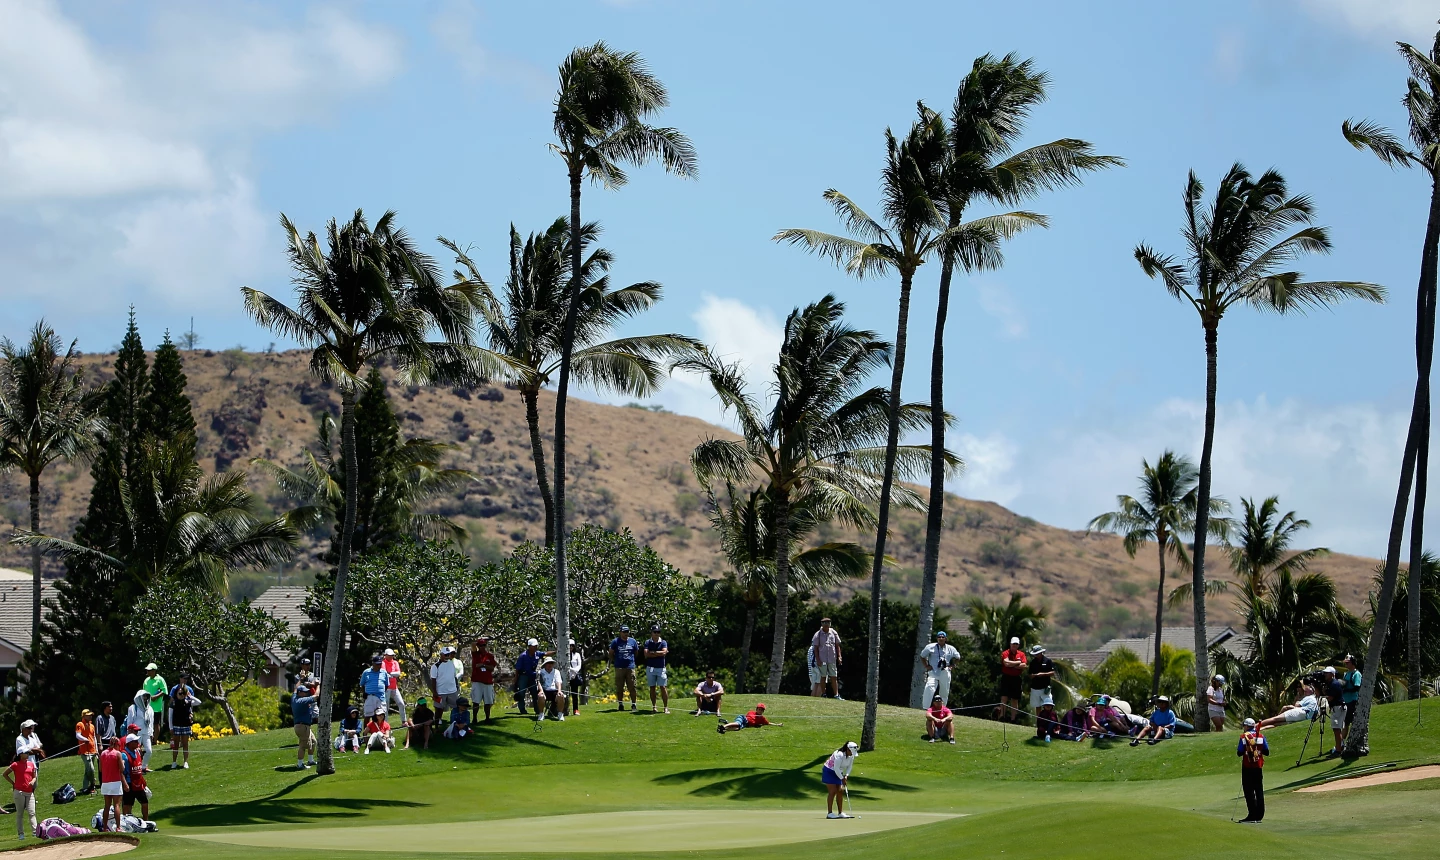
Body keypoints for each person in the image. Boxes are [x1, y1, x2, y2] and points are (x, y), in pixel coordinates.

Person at [1237, 718, 1270, 823]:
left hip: (1247, 767)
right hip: (1258, 767)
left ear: (1246, 726)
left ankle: (1252, 815)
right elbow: (1266, 751)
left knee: (1249, 791)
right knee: (1259, 790)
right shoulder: (1261, 736)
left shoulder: (1243, 737)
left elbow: (1239, 752)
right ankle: (1259, 815)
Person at [918, 631, 960, 709]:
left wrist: (952, 666)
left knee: (944, 691)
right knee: (929, 687)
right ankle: (925, 707)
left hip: (945, 671)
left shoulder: (951, 648)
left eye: (942, 637)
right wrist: (926, 666)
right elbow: (922, 656)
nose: (941, 638)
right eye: (939, 637)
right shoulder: (930, 647)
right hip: (933, 671)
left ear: (945, 638)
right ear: (937, 638)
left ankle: (942, 709)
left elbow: (958, 657)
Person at [168, 673, 200, 770]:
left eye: (183, 693)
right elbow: (170, 714)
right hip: (177, 724)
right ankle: (174, 762)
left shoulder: (188, 697)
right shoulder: (174, 696)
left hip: (185, 723)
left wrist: (189, 696)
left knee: (185, 743)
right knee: (176, 744)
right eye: (180, 693)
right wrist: (171, 727)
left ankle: (185, 762)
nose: (181, 695)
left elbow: (197, 702)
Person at [1256, 684, 1320, 729]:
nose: (1304, 689)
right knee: (1276, 724)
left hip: (1301, 713)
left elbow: (1296, 705)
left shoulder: (1309, 697)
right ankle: (1261, 729)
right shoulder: (1315, 699)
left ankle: (1255, 726)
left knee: (1275, 719)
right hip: (1305, 717)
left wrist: (1297, 699)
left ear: (1311, 690)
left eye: (1306, 689)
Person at [822, 742, 858, 819]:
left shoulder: (851, 756)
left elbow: (849, 767)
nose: (852, 754)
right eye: (851, 752)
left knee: (840, 791)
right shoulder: (839, 755)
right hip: (829, 771)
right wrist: (842, 778)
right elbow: (836, 768)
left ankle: (840, 813)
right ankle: (830, 813)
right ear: (848, 749)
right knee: (833, 791)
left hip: (838, 772)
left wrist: (846, 776)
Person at [6, 752, 37, 840]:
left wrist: (33, 781)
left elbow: (34, 776)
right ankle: (21, 834)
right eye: (25, 753)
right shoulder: (15, 764)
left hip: (30, 792)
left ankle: (35, 832)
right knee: (20, 813)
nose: (27, 754)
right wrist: (13, 783)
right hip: (19, 792)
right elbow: (5, 774)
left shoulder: (31, 764)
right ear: (20, 755)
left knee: (32, 812)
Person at [429, 646, 465, 720]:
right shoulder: (435, 666)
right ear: (441, 655)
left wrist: (456, 686)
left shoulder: (451, 664)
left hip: (452, 691)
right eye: (445, 655)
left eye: (448, 655)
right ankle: (437, 725)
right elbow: (433, 680)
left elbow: (454, 677)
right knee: (439, 709)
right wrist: (435, 692)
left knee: (456, 707)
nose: (447, 657)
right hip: (441, 692)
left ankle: (456, 721)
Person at [996, 637, 1027, 722]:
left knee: (1015, 699)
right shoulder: (1006, 653)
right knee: (1004, 697)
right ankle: (1002, 716)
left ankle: (1013, 718)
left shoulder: (1021, 654)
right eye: (1013, 644)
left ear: (1018, 645)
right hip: (1006, 677)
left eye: (1016, 644)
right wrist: (1017, 663)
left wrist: (1011, 664)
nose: (1014, 646)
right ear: (1010, 644)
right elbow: (1006, 663)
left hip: (1016, 678)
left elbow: (1024, 665)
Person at [810, 618, 843, 698]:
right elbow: (816, 648)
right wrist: (818, 660)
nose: (826, 624)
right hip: (822, 659)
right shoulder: (818, 634)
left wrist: (839, 656)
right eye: (824, 622)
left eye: (828, 622)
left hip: (832, 659)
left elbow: (837, 646)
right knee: (823, 677)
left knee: (833, 676)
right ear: (821, 624)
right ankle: (824, 694)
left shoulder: (833, 632)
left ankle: (836, 695)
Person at [98, 737, 126, 832]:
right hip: (115, 782)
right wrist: (122, 763)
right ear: (117, 744)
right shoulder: (118, 754)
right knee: (117, 805)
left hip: (105, 782)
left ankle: (105, 827)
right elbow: (122, 769)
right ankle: (118, 827)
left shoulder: (103, 753)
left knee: (107, 806)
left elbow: (100, 769)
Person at [609, 627, 640, 712]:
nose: (626, 633)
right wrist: (615, 661)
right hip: (619, 667)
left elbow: (636, 652)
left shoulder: (632, 641)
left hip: (630, 667)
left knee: (632, 686)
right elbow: (611, 653)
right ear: (620, 632)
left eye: (627, 632)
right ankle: (620, 704)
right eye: (624, 632)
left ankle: (633, 704)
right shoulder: (615, 641)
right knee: (619, 687)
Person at [469, 638, 500, 723]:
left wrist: (483, 665)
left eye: (484, 645)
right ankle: (474, 718)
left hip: (487, 682)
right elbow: (472, 644)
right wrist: (479, 639)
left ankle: (487, 718)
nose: (482, 647)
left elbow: (492, 668)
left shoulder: (489, 656)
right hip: (477, 681)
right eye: (480, 645)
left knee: (488, 701)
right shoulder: (475, 654)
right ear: (478, 646)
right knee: (476, 701)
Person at [642, 626, 671, 714]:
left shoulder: (663, 642)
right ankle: (654, 707)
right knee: (652, 687)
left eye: (658, 632)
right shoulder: (647, 642)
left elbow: (664, 652)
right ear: (652, 633)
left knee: (663, 687)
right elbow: (646, 655)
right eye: (655, 632)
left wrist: (653, 652)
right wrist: (659, 653)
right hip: (650, 668)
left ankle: (665, 707)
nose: (656, 634)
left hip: (661, 668)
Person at [121, 734, 149, 821]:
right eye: (135, 741)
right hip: (129, 783)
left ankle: (146, 821)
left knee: (145, 802)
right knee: (127, 805)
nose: (138, 743)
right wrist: (125, 784)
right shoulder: (124, 755)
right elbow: (121, 772)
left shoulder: (137, 752)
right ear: (129, 743)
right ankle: (126, 822)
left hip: (139, 782)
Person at [291, 683, 319, 769]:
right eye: (304, 692)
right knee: (303, 746)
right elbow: (316, 696)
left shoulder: (294, 698)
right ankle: (300, 764)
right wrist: (318, 685)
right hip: (302, 726)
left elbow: (295, 688)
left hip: (303, 726)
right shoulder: (302, 701)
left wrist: (301, 679)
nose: (306, 693)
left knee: (313, 741)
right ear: (300, 693)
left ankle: (310, 760)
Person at [124, 692, 154, 771]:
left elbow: (151, 722)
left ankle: (144, 766)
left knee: (149, 750)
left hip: (146, 732)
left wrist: (151, 732)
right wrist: (130, 732)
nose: (145, 698)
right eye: (143, 696)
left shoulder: (150, 708)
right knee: (136, 750)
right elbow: (130, 721)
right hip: (136, 732)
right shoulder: (133, 708)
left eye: (146, 696)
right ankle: (136, 766)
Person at [535, 656, 566, 721]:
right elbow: (539, 682)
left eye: (551, 663)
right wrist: (541, 690)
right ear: (545, 664)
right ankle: (541, 714)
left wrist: (559, 690)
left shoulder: (556, 672)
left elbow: (558, 682)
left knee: (561, 695)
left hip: (554, 691)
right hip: (544, 690)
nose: (550, 665)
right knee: (540, 696)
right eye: (548, 663)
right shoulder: (540, 672)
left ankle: (560, 714)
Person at [515, 639, 542, 715]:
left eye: (536, 646)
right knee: (521, 693)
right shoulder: (523, 656)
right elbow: (517, 668)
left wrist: (556, 651)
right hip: (523, 676)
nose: (535, 647)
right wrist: (516, 680)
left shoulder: (537, 654)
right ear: (529, 646)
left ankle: (537, 709)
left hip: (532, 677)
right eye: (534, 646)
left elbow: (545, 653)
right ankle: (522, 710)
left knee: (535, 693)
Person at [360, 656, 391, 722]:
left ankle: (382, 731)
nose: (379, 666)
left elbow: (386, 685)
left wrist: (381, 692)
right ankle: (366, 732)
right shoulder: (366, 672)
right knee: (367, 716)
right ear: (373, 664)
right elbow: (362, 684)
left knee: (382, 715)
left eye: (380, 664)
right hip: (369, 696)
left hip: (380, 697)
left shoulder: (384, 672)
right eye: (377, 664)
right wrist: (364, 693)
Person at [1323, 666, 1346, 756]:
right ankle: (1340, 747)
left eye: (1327, 673)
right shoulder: (1331, 683)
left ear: (1332, 674)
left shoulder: (1334, 684)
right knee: (1337, 729)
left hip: (1338, 708)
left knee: (1336, 729)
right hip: (1337, 708)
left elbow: (1331, 698)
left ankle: (1338, 750)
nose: (1325, 674)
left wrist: (1323, 696)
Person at [382, 648, 407, 727]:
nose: (391, 657)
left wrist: (390, 673)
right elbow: (385, 674)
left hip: (394, 687)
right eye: (389, 655)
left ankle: (404, 721)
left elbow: (398, 673)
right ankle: (385, 724)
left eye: (392, 655)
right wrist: (393, 674)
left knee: (401, 703)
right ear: (385, 655)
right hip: (387, 688)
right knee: (386, 706)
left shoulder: (395, 662)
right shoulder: (383, 663)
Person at [142, 663, 167, 743]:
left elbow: (164, 691)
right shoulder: (146, 680)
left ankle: (154, 741)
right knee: (147, 724)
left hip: (156, 707)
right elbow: (143, 692)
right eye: (147, 670)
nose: (148, 672)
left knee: (156, 724)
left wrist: (156, 696)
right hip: (147, 706)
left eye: (149, 670)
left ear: (154, 671)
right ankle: (148, 741)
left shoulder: (160, 679)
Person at [1027, 645, 1056, 713]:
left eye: (1037, 654)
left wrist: (1043, 674)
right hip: (1035, 688)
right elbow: (1029, 674)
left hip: (1045, 688)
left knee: (1048, 705)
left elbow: (1052, 672)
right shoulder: (1033, 662)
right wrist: (1033, 676)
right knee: (1037, 706)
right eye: (1035, 654)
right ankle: (1039, 721)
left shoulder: (1047, 661)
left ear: (1041, 653)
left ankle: (1047, 721)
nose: (1036, 655)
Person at [76, 709, 98, 794]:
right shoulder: (80, 724)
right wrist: (85, 739)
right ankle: (93, 784)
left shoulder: (92, 725)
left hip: (92, 750)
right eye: (88, 715)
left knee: (88, 770)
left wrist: (96, 749)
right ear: (84, 716)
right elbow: (78, 735)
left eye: (91, 715)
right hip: (85, 751)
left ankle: (85, 787)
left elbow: (94, 737)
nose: (90, 716)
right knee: (91, 769)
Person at [1341, 654, 1362, 745]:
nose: (1346, 665)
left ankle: (1341, 743)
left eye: (1348, 663)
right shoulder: (1346, 674)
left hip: (1352, 701)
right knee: (1344, 722)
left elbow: (1357, 687)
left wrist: (1346, 690)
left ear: (1353, 663)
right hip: (1345, 701)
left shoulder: (1356, 674)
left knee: (1346, 723)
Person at [567, 640, 586, 716]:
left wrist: (574, 671)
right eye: (569, 645)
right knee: (565, 694)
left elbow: (579, 665)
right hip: (567, 676)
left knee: (575, 694)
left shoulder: (577, 654)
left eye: (572, 645)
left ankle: (575, 709)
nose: (571, 647)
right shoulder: (564, 655)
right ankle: (564, 709)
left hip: (575, 676)